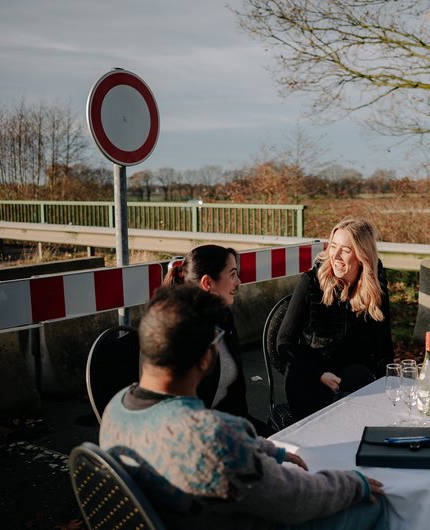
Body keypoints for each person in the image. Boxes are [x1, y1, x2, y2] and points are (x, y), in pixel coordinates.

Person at [100, 284, 388, 530]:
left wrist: (267, 450)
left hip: (183, 515)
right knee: (375, 506)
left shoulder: (116, 409)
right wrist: (353, 484)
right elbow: (294, 499)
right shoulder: (211, 435)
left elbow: (216, 445)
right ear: (206, 358)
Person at [278, 217, 394, 420]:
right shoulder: (310, 283)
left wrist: (390, 389)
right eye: (333, 246)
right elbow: (284, 342)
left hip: (353, 380)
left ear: (362, 255)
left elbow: (384, 350)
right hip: (310, 377)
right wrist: (319, 374)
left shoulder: (376, 290)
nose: (336, 255)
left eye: (346, 250)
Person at [162, 244, 270, 434]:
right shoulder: (177, 335)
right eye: (232, 274)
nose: (238, 281)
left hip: (229, 425)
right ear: (208, 283)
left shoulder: (223, 317)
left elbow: (236, 404)